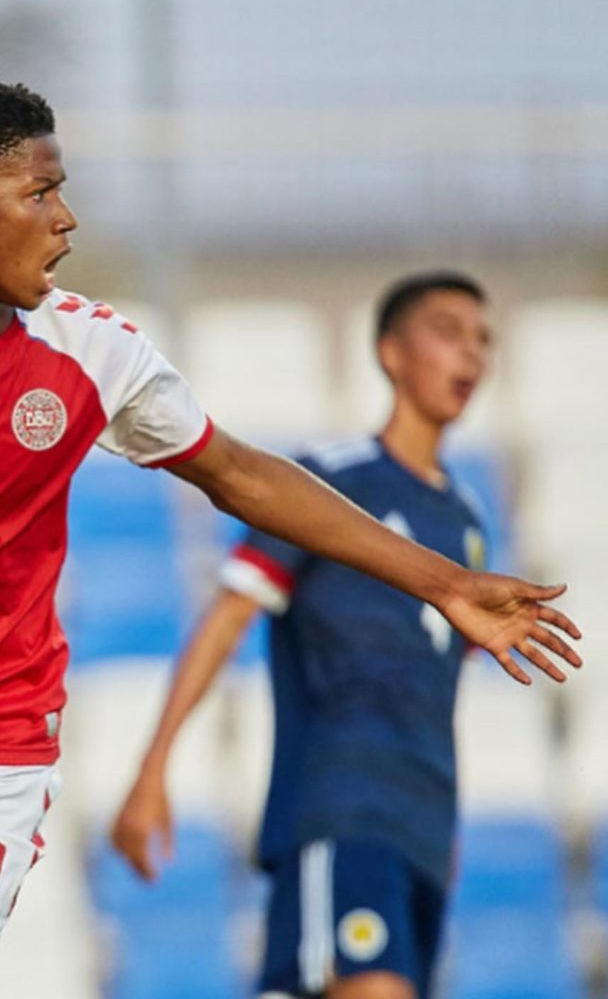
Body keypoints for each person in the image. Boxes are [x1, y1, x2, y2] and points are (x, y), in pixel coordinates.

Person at [0, 78, 580, 999]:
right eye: (40, 194)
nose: (67, 219)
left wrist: (440, 582)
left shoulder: (94, 351)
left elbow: (239, 473)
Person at [111, 272, 511, 999]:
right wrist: (152, 767)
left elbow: (438, 689)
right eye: (449, 332)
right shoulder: (327, 485)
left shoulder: (470, 524)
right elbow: (229, 616)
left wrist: (446, 823)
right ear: (392, 352)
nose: (472, 356)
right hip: (343, 808)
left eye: (483, 340)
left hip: (421, 827)